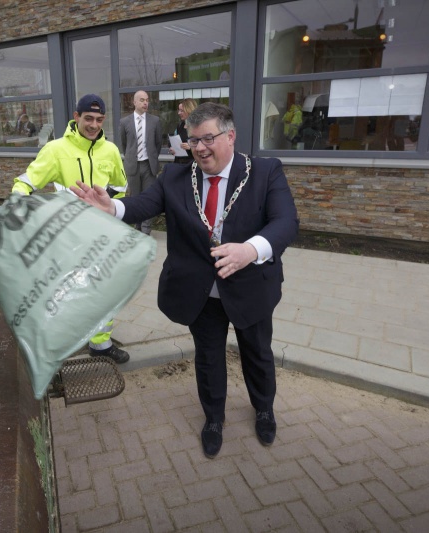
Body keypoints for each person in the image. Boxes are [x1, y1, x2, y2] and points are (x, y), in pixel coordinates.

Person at [69, 103, 299, 457]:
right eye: (193, 141)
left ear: (230, 136)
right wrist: (112, 208)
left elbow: (286, 222)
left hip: (250, 285)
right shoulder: (176, 178)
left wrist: (250, 251)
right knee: (208, 357)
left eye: (208, 138)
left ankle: (264, 408)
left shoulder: (265, 172)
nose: (200, 148)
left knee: (257, 353)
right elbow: (144, 204)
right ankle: (213, 419)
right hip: (199, 291)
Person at [12, 94, 130, 364]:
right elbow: (26, 182)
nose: (93, 125)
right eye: (88, 118)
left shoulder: (110, 150)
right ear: (76, 117)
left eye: (99, 120)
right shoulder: (56, 150)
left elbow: (121, 187)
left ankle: (100, 345)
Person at [119, 90, 162, 235]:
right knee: (135, 197)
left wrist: (152, 158)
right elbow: (125, 145)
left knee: (148, 197)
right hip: (133, 165)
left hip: (149, 165)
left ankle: (146, 229)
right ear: (135, 102)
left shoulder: (154, 121)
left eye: (147, 100)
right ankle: (137, 228)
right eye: (142, 100)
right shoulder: (124, 122)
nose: (145, 103)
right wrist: (131, 157)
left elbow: (158, 144)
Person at [170, 98, 197, 164]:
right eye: (178, 110)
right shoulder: (180, 125)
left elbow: (204, 145)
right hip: (178, 163)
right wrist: (174, 149)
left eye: (182, 111)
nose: (179, 113)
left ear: (189, 110)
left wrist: (190, 147)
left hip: (192, 165)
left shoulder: (198, 126)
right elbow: (177, 143)